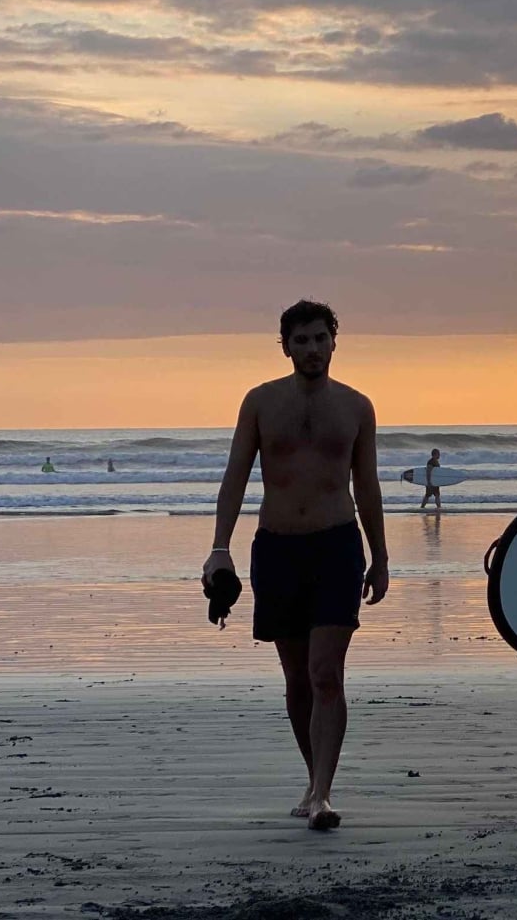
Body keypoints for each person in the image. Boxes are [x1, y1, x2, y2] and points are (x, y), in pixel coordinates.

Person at [201, 299, 389, 831]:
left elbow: (367, 487)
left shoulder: (357, 407)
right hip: (278, 547)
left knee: (326, 672)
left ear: (334, 342)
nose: (311, 349)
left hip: (336, 545)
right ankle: (312, 780)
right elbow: (236, 474)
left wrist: (380, 557)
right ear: (285, 346)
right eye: (300, 340)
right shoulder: (260, 403)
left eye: (319, 339)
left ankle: (324, 795)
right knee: (297, 678)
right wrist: (220, 546)